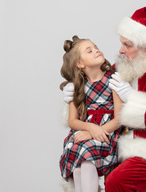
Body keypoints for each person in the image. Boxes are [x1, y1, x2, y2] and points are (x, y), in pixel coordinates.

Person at [63, 7, 146, 192]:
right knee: (79, 160)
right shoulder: (121, 67)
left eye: (127, 45)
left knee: (115, 181)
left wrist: (132, 97)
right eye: (122, 43)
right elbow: (96, 87)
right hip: (117, 141)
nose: (121, 50)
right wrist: (76, 89)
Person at [59, 35, 122, 192]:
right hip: (84, 134)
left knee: (86, 157)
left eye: (96, 47)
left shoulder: (114, 80)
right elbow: (73, 121)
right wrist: (89, 128)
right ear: (80, 63)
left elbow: (119, 119)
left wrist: (94, 132)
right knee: (78, 163)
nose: (96, 50)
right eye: (89, 50)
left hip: (107, 134)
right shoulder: (77, 86)